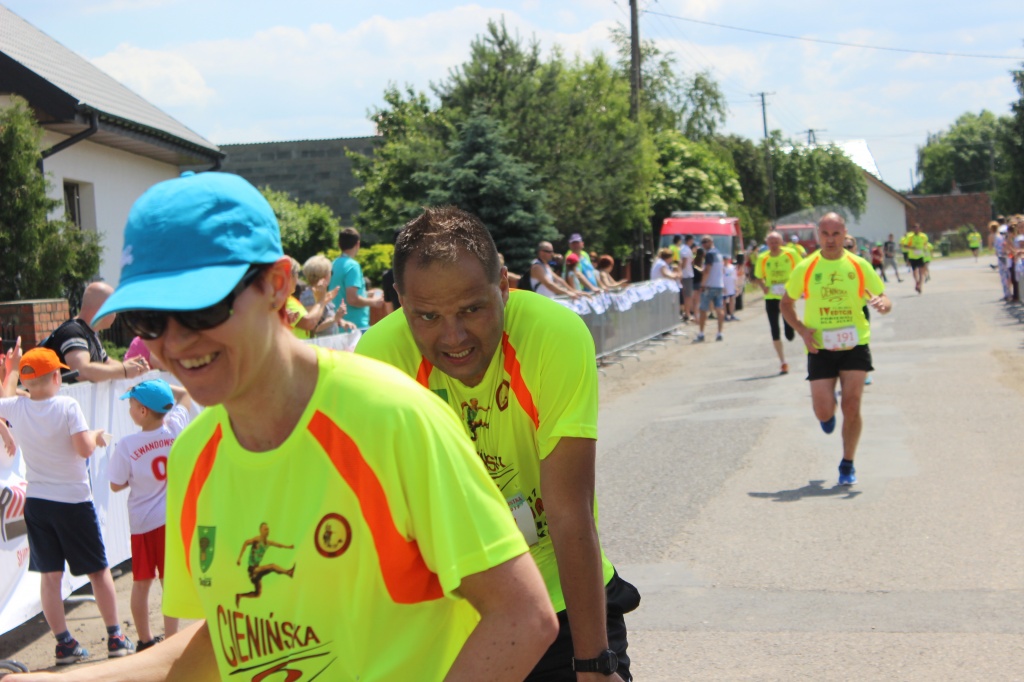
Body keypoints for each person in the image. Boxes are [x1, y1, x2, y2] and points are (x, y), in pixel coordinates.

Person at [45, 171, 557, 682]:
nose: (175, 342)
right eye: (150, 320)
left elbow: (522, 617)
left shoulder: (391, 419)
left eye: (201, 310)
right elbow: (222, 645)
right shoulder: (193, 453)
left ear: (277, 284)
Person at [357, 206, 640, 682]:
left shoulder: (554, 334)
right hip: (449, 612)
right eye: (427, 316)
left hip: (559, 594)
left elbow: (570, 509)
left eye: (472, 308)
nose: (454, 336)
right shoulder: (378, 359)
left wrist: (594, 663)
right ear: (400, 303)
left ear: (504, 285)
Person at [0, 347, 134, 665]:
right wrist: (97, 436)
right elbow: (84, 449)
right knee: (99, 571)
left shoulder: (17, 408)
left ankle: (64, 644)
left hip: (38, 503)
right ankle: (115, 636)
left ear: (28, 382)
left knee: (50, 576)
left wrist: (13, 369)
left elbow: (6, 399)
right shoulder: (67, 405)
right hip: (73, 501)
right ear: (58, 376)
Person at [780, 213, 892, 486]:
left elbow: (885, 299)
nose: (830, 239)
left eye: (836, 234)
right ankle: (826, 417)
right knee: (823, 411)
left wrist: (882, 304)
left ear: (845, 234)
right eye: (825, 234)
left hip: (855, 342)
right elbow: (786, 303)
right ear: (818, 235)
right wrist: (803, 331)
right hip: (820, 346)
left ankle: (847, 463)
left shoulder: (859, 265)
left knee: (852, 404)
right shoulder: (805, 268)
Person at [108, 379, 193, 652]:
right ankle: (171, 639)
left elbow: (115, 483)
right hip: (171, 521)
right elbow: (187, 397)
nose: (130, 409)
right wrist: (167, 388)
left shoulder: (128, 444)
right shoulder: (175, 426)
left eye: (132, 405)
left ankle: (145, 641)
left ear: (143, 411)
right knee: (171, 582)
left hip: (143, 522)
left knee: (141, 582)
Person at [42, 282, 149, 383]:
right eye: (113, 309)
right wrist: (124, 371)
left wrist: (132, 367)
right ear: (103, 309)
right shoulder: (73, 332)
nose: (115, 315)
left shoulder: (89, 333)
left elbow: (107, 363)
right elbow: (81, 372)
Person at [754, 231, 799, 375]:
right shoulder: (763, 257)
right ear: (767, 243)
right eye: (771, 242)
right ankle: (783, 362)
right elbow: (759, 276)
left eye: (776, 241)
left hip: (787, 297)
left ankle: (790, 328)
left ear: (781, 242)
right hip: (771, 298)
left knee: (789, 331)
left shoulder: (790, 254)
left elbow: (800, 270)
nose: (774, 245)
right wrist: (764, 288)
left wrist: (796, 287)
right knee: (774, 329)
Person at [328, 227, 384, 331]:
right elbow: (352, 299)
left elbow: (342, 293)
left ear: (339, 244)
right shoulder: (353, 266)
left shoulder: (333, 264)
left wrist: (365, 294)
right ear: (358, 244)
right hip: (354, 326)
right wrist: (373, 302)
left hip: (337, 325)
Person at [299, 254, 357, 336]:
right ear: (325, 275)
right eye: (331, 272)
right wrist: (335, 318)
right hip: (318, 345)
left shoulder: (321, 293)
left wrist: (341, 322)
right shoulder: (309, 296)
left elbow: (325, 318)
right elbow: (313, 327)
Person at [695, 236, 726, 343]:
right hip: (719, 285)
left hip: (709, 286)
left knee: (703, 309)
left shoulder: (709, 254)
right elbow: (720, 270)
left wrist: (702, 285)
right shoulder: (718, 253)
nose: (703, 244)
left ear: (711, 242)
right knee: (719, 309)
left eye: (705, 242)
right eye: (702, 242)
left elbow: (707, 270)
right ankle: (720, 333)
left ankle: (701, 333)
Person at [908, 224, 930, 294]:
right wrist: (912, 248)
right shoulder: (910, 237)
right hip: (912, 256)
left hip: (921, 256)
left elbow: (925, 244)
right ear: (912, 230)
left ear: (920, 229)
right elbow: (904, 245)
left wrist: (925, 249)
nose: (916, 230)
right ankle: (917, 282)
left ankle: (920, 285)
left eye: (918, 229)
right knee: (915, 271)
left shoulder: (923, 236)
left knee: (921, 272)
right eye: (915, 229)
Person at [678, 235, 695, 322]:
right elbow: (684, 262)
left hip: (685, 274)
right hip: (686, 275)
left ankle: (685, 312)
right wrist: (681, 271)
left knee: (685, 295)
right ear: (690, 240)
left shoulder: (683, 248)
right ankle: (687, 313)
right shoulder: (686, 249)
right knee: (688, 295)